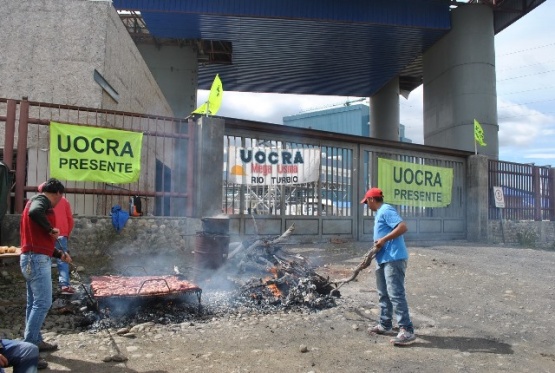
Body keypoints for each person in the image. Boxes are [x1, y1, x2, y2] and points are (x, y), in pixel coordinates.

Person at [20, 178, 73, 369]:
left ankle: (35, 340)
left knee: (34, 303)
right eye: (61, 196)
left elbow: (42, 242)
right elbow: (36, 213)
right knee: (43, 302)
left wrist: (60, 254)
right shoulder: (40, 201)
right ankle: (28, 349)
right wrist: (51, 229)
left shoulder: (37, 203)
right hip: (35, 260)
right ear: (58, 193)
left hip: (33, 256)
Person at [361, 187, 416, 346]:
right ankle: (385, 324)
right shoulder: (379, 214)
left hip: (394, 257)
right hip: (384, 258)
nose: (367, 205)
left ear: (371, 199)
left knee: (395, 293)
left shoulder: (386, 210)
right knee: (383, 293)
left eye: (367, 202)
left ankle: (407, 330)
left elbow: (403, 227)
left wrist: (384, 240)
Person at [38, 182, 75, 295]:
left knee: (45, 259)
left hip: (46, 234)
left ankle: (45, 286)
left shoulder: (40, 202)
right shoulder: (64, 201)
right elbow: (70, 219)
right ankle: (64, 285)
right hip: (61, 234)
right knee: (62, 259)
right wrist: (66, 233)